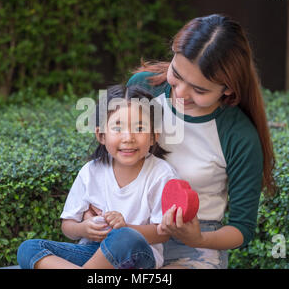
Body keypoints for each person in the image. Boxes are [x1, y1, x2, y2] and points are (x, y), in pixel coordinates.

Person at [86, 14, 276, 269]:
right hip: (128, 229)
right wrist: (89, 213)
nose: (180, 93)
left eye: (199, 90)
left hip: (194, 245)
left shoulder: (239, 136)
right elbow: (108, 159)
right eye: (176, 74)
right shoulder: (144, 90)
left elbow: (242, 229)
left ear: (228, 89)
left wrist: (198, 237)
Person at [17, 84, 179, 269]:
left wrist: (126, 227)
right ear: (101, 135)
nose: (128, 137)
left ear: (153, 136)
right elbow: (68, 225)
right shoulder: (91, 171)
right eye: (117, 128)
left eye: (139, 127)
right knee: (29, 248)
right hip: (91, 253)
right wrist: (83, 229)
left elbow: (163, 233)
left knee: (123, 237)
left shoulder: (161, 174)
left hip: (134, 256)